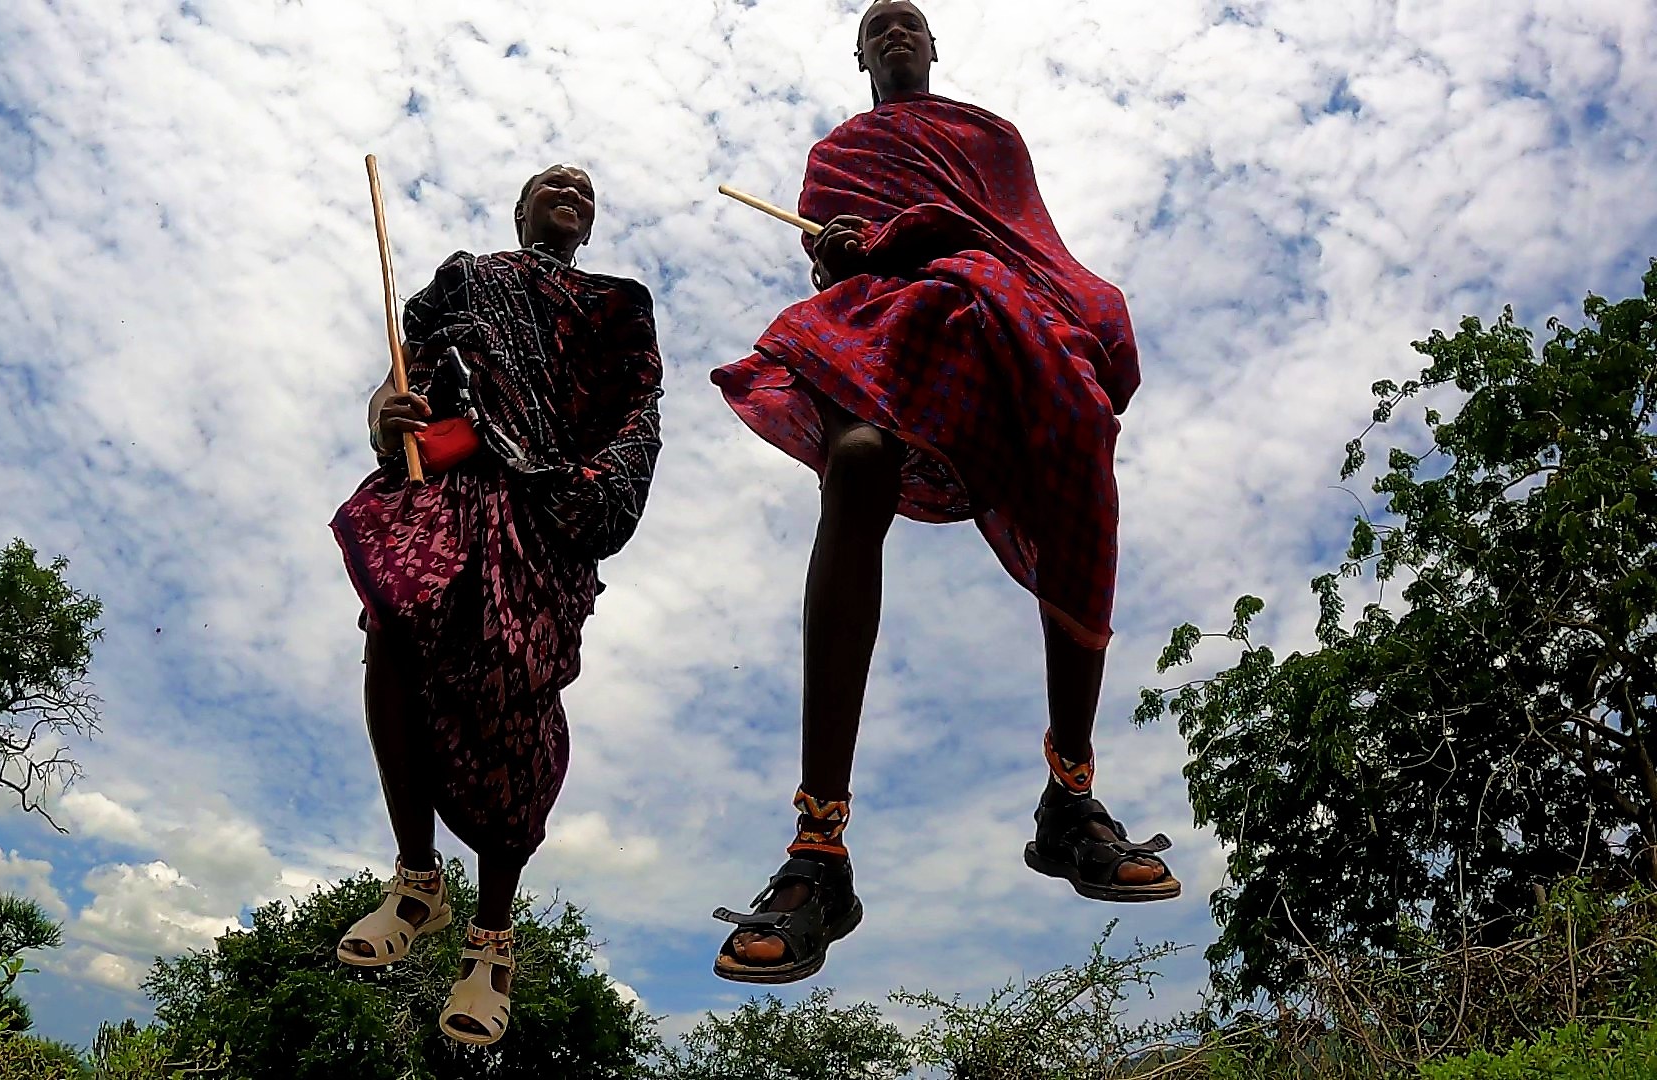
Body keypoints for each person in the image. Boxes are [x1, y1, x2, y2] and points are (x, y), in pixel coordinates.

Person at [709, 0, 1180, 985]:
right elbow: (828, 239)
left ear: (933, 46)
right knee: (862, 459)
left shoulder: (989, 137)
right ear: (860, 54)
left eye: (910, 21)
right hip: (878, 312)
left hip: (992, 307)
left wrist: (933, 238)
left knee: (1079, 434)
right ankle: (818, 851)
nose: (894, 31)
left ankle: (1070, 798)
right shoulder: (838, 148)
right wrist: (842, 247)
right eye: (877, 25)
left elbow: (1021, 236)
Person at [330, 163, 663, 1043]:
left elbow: (640, 411)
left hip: (549, 510)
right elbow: (406, 381)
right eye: (555, 185)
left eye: (588, 191)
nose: (573, 195)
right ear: (521, 210)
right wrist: (385, 416)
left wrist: (595, 490)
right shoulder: (469, 279)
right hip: (456, 480)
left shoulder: (616, 305)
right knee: (394, 623)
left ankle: (492, 936)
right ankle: (415, 880)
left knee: (516, 697)